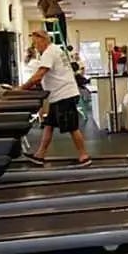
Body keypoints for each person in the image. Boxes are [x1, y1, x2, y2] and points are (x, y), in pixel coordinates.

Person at [20, 29, 91, 166]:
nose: (35, 46)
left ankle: (84, 156)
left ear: (44, 40)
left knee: (72, 127)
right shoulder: (55, 50)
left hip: (64, 94)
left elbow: (39, 75)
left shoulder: (49, 52)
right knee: (49, 125)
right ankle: (40, 154)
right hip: (58, 95)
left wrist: (21, 88)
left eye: (36, 42)